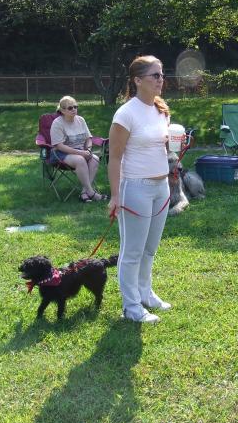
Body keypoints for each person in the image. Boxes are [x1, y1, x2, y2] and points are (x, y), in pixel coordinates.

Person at [107, 55, 172, 324]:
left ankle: (145, 293)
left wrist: (175, 146)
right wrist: (115, 196)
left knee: (150, 249)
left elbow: (161, 147)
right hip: (135, 187)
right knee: (132, 251)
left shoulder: (161, 109)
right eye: (155, 75)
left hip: (162, 187)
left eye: (162, 74)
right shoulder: (126, 114)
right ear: (137, 80)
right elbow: (114, 158)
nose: (161, 80)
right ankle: (131, 306)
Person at [50, 95, 107, 203]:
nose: (74, 109)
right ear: (62, 110)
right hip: (61, 153)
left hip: (81, 151)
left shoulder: (80, 120)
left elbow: (89, 138)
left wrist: (88, 150)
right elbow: (59, 146)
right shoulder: (57, 123)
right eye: (70, 108)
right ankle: (92, 193)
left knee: (95, 159)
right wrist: (81, 153)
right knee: (80, 160)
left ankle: (84, 192)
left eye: (75, 107)